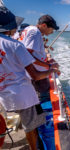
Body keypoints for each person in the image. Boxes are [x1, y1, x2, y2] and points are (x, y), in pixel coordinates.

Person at [0, 6, 59, 150]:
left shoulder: (19, 37)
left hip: (5, 93)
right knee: (30, 127)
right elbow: (35, 74)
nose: (16, 30)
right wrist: (50, 69)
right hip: (23, 94)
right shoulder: (16, 44)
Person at [19, 14, 59, 97]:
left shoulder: (29, 28)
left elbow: (32, 53)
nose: (52, 32)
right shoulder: (35, 32)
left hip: (31, 71)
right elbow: (27, 55)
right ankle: (42, 109)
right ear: (44, 25)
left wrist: (46, 61)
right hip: (36, 72)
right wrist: (48, 65)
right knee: (43, 95)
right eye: (51, 29)